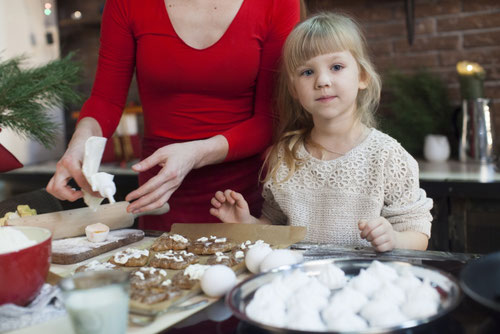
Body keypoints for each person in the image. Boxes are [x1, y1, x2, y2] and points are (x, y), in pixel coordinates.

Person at [46, 0, 301, 231]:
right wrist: (80, 143)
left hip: (241, 201)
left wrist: (195, 154)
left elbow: (272, 119)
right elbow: (106, 100)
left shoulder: (276, 3)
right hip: (161, 194)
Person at [210, 12, 433, 252]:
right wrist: (247, 224)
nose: (322, 81)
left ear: (362, 77)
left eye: (336, 67)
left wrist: (395, 239)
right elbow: (276, 228)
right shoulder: (283, 157)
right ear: (294, 89)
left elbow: (418, 233)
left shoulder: (388, 157)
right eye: (307, 72)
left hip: (363, 282)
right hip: (301, 283)